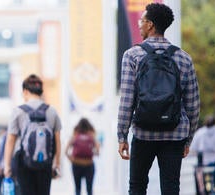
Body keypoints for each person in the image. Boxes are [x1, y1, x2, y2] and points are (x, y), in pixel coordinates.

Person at [117, 3, 200, 195]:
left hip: (143, 133)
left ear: (151, 25)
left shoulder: (132, 55)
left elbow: (127, 100)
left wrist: (122, 136)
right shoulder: (183, 58)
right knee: (171, 188)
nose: (139, 24)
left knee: (137, 186)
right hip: (174, 134)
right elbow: (193, 105)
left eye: (142, 20)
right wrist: (187, 140)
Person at [3, 74, 62, 195]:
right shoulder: (52, 111)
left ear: (25, 91)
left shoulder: (18, 111)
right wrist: (56, 164)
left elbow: (11, 140)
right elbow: (57, 141)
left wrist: (7, 165)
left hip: (23, 161)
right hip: (46, 161)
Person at [66, 118, 100, 195]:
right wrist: (92, 152)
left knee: (77, 189)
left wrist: (71, 159)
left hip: (76, 164)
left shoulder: (75, 134)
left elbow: (66, 151)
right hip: (89, 165)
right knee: (89, 189)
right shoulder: (91, 134)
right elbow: (97, 151)